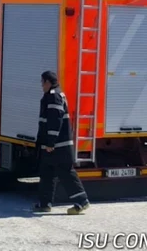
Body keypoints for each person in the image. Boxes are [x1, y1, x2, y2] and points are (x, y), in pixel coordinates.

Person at [33, 70, 90, 215]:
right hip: (52, 146)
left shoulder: (54, 97)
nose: (41, 85)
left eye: (42, 82)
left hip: (58, 147)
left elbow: (54, 121)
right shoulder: (52, 96)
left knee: (66, 173)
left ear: (47, 82)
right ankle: (45, 204)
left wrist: (50, 142)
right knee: (46, 173)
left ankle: (82, 202)